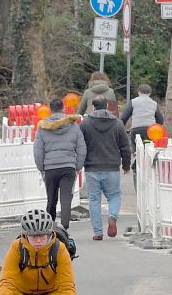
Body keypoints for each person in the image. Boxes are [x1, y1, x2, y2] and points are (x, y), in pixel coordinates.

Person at [80, 97, 131, 241]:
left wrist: (79, 163)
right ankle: (112, 217)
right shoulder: (117, 124)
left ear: (93, 107)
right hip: (112, 167)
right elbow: (125, 147)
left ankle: (98, 232)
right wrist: (126, 165)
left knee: (94, 200)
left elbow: (80, 145)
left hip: (91, 168)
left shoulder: (86, 124)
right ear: (107, 106)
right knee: (114, 196)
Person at [33, 98, 86, 230]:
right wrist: (77, 167)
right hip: (68, 167)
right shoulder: (73, 126)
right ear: (63, 108)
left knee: (51, 198)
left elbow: (38, 151)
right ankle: (64, 226)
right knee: (66, 198)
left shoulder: (43, 128)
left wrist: (42, 169)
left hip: (50, 168)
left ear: (50, 110)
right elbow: (81, 148)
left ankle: (49, 226)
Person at [120, 84, 165, 185]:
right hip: (150, 130)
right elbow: (160, 120)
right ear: (150, 93)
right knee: (149, 147)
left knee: (137, 147)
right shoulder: (154, 103)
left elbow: (124, 118)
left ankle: (136, 159)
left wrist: (121, 129)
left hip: (136, 129)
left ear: (138, 92)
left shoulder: (133, 102)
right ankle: (150, 163)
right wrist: (156, 127)